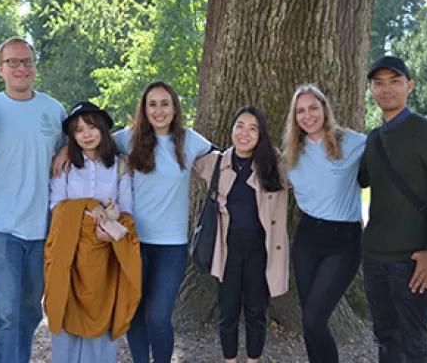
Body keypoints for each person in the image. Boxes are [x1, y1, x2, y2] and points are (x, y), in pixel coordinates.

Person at [359, 56, 427, 362]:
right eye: (378, 83)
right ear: (371, 89)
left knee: (413, 346)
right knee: (385, 339)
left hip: (413, 262)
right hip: (374, 258)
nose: (386, 89)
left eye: (394, 81)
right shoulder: (374, 139)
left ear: (410, 86)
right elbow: (359, 178)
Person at [0, 37, 67, 363]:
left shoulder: (53, 109)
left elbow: (77, 145)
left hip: (42, 230)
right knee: (3, 316)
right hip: (0, 230)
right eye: (13, 62)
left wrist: (68, 148)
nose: (21, 68)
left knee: (30, 312)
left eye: (27, 61)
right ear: (0, 68)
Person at [114, 81, 212, 363]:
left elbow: (226, 159)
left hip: (172, 246)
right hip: (133, 242)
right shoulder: (128, 139)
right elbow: (91, 142)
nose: (159, 110)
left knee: (158, 316)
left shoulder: (189, 140)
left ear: (175, 108)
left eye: (165, 104)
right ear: (144, 109)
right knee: (134, 312)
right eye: (152, 104)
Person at [45, 101, 140, 362]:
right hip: (71, 255)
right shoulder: (65, 166)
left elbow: (127, 210)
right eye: (78, 130)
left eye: (91, 127)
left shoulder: (119, 165)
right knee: (67, 315)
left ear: (103, 128)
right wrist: (90, 209)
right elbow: (57, 207)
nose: (86, 135)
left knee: (102, 318)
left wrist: (108, 219)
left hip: (105, 256)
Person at [193, 106, 289, 363]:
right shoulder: (216, 162)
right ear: (232, 129)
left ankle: (254, 360)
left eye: (252, 128)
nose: (244, 133)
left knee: (257, 311)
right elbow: (181, 153)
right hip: (226, 249)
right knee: (227, 312)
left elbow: (307, 168)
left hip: (260, 249)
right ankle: (230, 360)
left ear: (261, 135)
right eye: (240, 126)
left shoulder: (274, 164)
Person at [282, 84, 365, 363]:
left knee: (315, 320)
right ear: (295, 118)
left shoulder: (351, 142)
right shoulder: (292, 153)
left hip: (343, 241)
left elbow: (387, 156)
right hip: (307, 237)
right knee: (309, 320)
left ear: (324, 109)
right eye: (300, 111)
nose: (308, 116)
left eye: (313, 108)